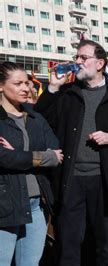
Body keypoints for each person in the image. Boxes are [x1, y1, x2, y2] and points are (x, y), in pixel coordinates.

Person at [34, 40, 108, 266]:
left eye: (83, 58)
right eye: (76, 57)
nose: (77, 62)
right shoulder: (66, 95)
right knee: (69, 244)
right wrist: (52, 88)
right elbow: (39, 121)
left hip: (105, 182)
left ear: (100, 63)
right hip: (71, 180)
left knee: (105, 244)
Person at [0, 62, 63, 265]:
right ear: (1, 86)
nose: (25, 88)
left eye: (26, 83)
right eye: (18, 83)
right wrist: (42, 157)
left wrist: (19, 155)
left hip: (36, 205)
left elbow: (57, 154)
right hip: (5, 204)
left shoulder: (35, 116)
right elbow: (4, 158)